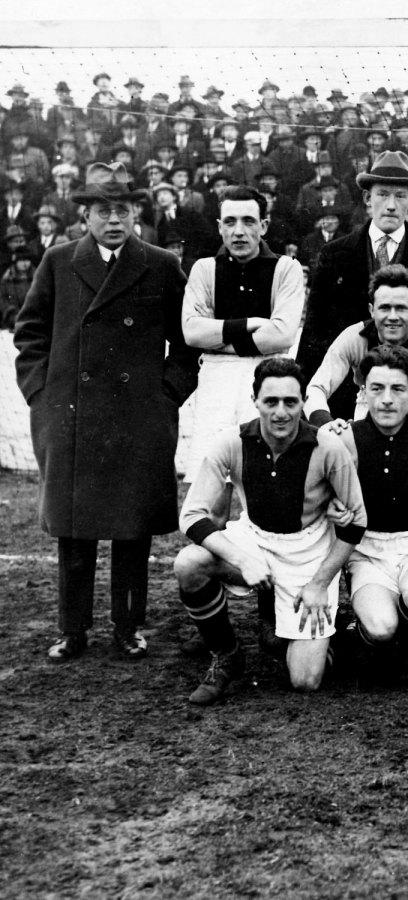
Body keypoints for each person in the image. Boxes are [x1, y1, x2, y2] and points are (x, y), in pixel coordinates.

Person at [13, 162, 199, 662]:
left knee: (131, 528)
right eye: (102, 210)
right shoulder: (57, 261)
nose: (113, 220)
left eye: (122, 210)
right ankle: (73, 631)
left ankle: (128, 626)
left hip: (138, 417)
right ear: (86, 216)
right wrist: (42, 394)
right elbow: (29, 335)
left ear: (136, 213)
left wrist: (165, 396)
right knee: (74, 529)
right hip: (71, 414)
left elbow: (186, 345)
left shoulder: (160, 264)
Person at [174, 357, 367, 705]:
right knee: (189, 563)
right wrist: (241, 558)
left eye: (291, 402)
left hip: (308, 554)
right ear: (255, 401)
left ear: (303, 403)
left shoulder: (328, 448)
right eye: (271, 401)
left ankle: (321, 636)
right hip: (254, 540)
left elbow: (357, 524)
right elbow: (191, 516)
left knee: (305, 681)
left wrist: (320, 583)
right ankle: (227, 654)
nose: (281, 412)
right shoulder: (232, 442)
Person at [298, 151, 408, 422]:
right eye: (382, 194)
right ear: (366, 198)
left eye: (400, 196)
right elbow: (313, 334)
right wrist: (311, 408)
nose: (390, 205)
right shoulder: (334, 255)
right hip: (343, 408)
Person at [328, 345, 408, 659]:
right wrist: (330, 508)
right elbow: (319, 498)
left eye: (397, 388)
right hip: (368, 550)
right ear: (364, 392)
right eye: (377, 388)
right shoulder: (343, 439)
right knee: (381, 629)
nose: (387, 398)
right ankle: (378, 630)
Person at [181, 185, 305, 481]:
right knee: (210, 477)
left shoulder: (285, 268)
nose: (239, 231)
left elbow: (282, 335)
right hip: (215, 378)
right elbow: (192, 332)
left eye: (248, 221)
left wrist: (220, 341)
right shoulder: (204, 268)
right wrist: (249, 323)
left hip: (268, 375)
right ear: (219, 227)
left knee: (267, 475)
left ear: (263, 226)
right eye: (230, 222)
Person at [303, 264, 408, 436]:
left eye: (401, 308)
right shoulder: (355, 337)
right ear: (372, 310)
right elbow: (317, 387)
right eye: (385, 308)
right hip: (370, 414)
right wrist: (325, 424)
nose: (392, 317)